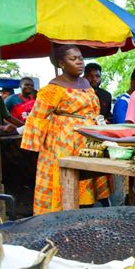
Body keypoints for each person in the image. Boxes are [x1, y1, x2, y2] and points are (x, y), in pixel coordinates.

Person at [21, 45, 111, 215]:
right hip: (63, 142)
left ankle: (85, 216)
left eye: (81, 58)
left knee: (87, 180)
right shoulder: (53, 88)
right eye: (73, 59)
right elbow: (37, 117)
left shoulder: (85, 83)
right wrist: (32, 147)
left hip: (88, 140)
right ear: (61, 63)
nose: (79, 62)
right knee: (66, 180)